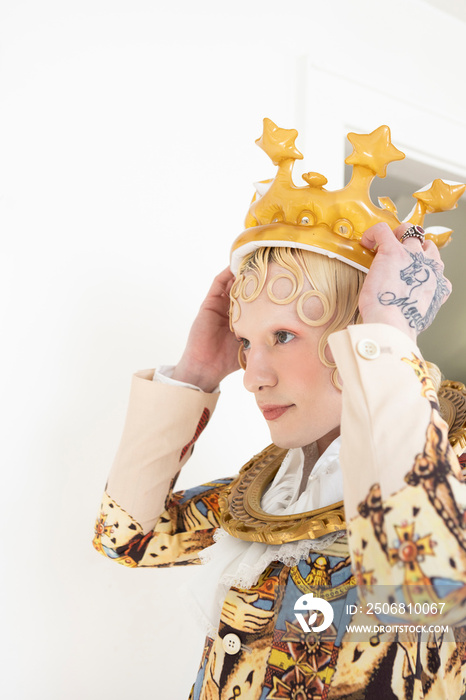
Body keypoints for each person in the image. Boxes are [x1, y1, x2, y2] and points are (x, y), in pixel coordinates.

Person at [93, 119, 466, 699]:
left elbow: (418, 589)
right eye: (246, 342)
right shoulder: (268, 493)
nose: (252, 376)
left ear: (363, 330)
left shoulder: (452, 470)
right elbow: (127, 536)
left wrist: (392, 334)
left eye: (284, 336)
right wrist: (195, 371)